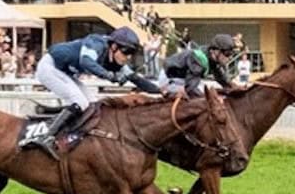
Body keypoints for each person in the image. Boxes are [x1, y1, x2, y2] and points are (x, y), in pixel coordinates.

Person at [30, 26, 160, 151]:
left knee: (92, 104)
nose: (129, 57)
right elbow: (86, 61)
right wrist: (109, 75)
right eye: (127, 52)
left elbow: (136, 79)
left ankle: (72, 135)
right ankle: (45, 136)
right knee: (80, 102)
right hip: (49, 67)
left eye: (132, 53)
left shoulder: (115, 59)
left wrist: (161, 91)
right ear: (114, 46)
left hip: (64, 72)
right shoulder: (96, 42)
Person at [162, 32, 240, 94]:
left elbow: (223, 80)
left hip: (181, 79)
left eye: (232, 54)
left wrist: (237, 88)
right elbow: (191, 89)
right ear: (215, 51)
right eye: (227, 53)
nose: (230, 57)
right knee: (206, 94)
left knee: (211, 89)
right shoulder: (199, 58)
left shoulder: (212, 58)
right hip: (169, 79)